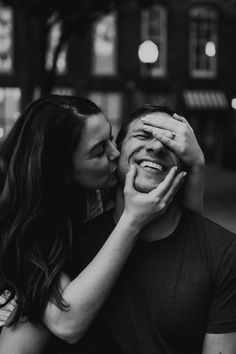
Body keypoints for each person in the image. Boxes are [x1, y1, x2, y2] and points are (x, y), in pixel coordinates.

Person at [0, 96, 198, 353]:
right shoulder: (19, 216)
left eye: (111, 139)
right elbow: (67, 323)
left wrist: (198, 164)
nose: (115, 154)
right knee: (32, 320)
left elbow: (192, 240)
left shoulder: (94, 182)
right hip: (11, 326)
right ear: (61, 172)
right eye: (97, 151)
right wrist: (132, 220)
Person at [42, 104, 235, 354]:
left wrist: (198, 163)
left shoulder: (223, 253)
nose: (156, 146)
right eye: (143, 136)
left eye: (171, 142)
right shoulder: (64, 240)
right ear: (118, 153)